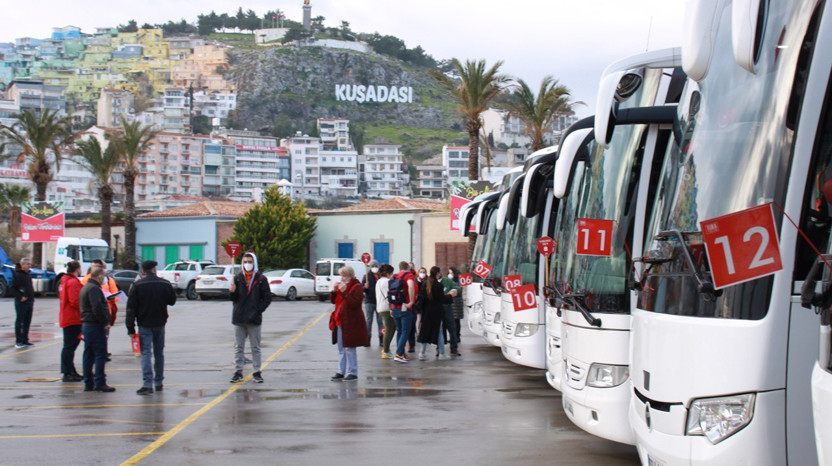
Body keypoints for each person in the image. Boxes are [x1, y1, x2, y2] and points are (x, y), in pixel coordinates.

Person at [126, 260, 177, 395]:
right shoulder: (165, 284)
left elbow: (130, 309)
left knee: (146, 353)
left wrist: (130, 328)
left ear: (143, 271)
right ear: (154, 269)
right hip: (160, 322)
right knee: (159, 353)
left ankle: (147, 383)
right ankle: (159, 381)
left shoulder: (137, 285)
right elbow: (172, 301)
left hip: (144, 323)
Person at [229, 252, 272, 384]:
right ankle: (238, 371)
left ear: (254, 263)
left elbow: (267, 298)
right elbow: (234, 299)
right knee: (239, 347)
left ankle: (257, 372)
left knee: (255, 347)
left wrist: (258, 310)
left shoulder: (261, 279)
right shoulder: (237, 278)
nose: (248, 264)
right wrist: (232, 292)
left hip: (254, 319)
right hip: (239, 318)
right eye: (245, 262)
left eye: (250, 262)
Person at [329, 265, 369, 381]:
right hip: (340, 320)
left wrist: (344, 292)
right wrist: (334, 291)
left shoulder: (356, 287)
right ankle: (341, 371)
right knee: (341, 347)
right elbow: (333, 301)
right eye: (341, 276)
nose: (342, 278)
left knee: (350, 347)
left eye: (344, 276)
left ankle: (353, 372)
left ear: (350, 276)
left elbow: (354, 304)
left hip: (351, 321)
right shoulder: (343, 286)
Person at [80, 266, 115, 392]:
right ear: (99, 276)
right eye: (104, 276)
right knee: (100, 354)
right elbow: (97, 307)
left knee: (88, 354)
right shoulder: (94, 289)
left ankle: (88, 382)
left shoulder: (86, 287)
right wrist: (105, 322)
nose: (104, 279)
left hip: (87, 325)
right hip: (94, 325)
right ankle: (100, 382)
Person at [416, 266, 457, 360]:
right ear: (437, 273)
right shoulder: (438, 286)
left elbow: (421, 298)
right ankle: (442, 353)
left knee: (424, 332)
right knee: (439, 332)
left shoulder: (425, 283)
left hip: (426, 312)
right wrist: (450, 296)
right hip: (437, 313)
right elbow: (442, 299)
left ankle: (422, 353)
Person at [59, 261, 84, 381]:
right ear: (77, 269)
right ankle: (68, 372)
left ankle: (69, 370)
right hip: (73, 318)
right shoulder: (73, 282)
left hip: (67, 316)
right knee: (70, 346)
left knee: (68, 346)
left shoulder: (64, 281)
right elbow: (75, 301)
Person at [391, 261, 417, 363]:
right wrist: (411, 301)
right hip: (405, 307)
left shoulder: (394, 276)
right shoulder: (408, 276)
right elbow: (410, 286)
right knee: (406, 331)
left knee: (399, 331)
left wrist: (391, 307)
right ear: (408, 267)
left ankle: (401, 353)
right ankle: (398, 354)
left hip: (394, 306)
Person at [11, 257, 35, 349]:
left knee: (27, 322)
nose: (29, 266)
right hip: (21, 302)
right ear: (22, 265)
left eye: (30, 264)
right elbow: (12, 288)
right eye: (28, 264)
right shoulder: (17, 275)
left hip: (29, 301)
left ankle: (25, 340)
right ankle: (19, 341)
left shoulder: (28, 274)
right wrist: (20, 297)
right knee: (20, 321)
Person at [374, 264, 396, 359]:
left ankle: (386, 349)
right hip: (387, 308)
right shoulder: (388, 281)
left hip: (380, 307)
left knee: (390, 328)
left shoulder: (378, 281)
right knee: (389, 329)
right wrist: (392, 307)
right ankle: (386, 350)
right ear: (388, 273)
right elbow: (390, 295)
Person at [440, 267, 463, 357]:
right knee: (440, 329)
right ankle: (440, 348)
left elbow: (458, 288)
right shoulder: (432, 281)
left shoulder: (447, 281)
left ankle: (454, 347)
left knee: (452, 326)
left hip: (449, 307)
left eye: (451, 273)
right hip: (439, 308)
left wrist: (455, 291)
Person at [362, 260, 382, 347]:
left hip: (379, 302)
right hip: (369, 301)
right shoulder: (366, 276)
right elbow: (362, 288)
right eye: (373, 266)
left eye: (375, 266)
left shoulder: (381, 276)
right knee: (369, 321)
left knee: (380, 321)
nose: (374, 267)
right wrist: (365, 287)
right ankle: (367, 339)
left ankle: (381, 339)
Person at [449, 266, 465, 351]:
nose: (450, 274)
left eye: (451, 273)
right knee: (454, 320)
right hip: (452, 301)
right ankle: (455, 336)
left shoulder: (458, 280)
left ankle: (457, 336)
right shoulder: (451, 280)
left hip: (457, 302)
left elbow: (458, 290)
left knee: (456, 320)